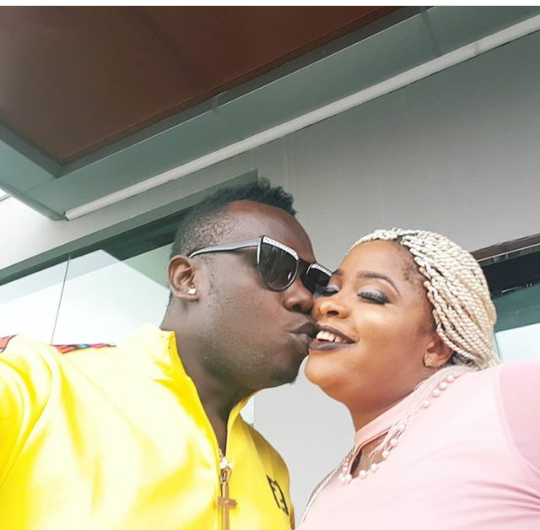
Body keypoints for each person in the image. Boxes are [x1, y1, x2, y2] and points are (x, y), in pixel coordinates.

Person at [0, 180, 331, 530]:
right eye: (275, 265)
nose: (305, 298)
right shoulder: (39, 384)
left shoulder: (273, 467)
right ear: (187, 279)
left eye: (315, 283)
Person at [299, 228, 540, 530]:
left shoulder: (508, 397)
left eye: (372, 296)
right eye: (331, 290)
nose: (326, 305)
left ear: (437, 347)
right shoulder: (325, 492)